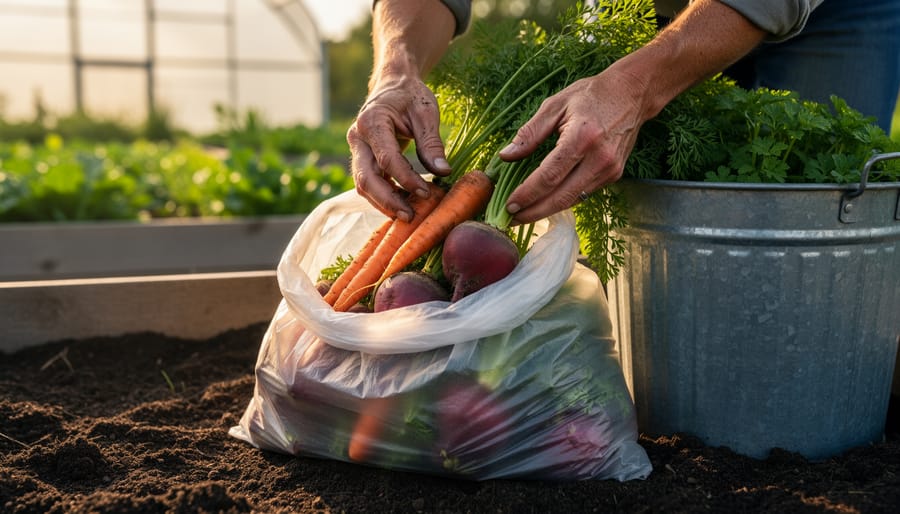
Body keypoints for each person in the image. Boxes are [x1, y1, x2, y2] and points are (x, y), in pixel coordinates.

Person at [346, 0, 900, 225]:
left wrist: (637, 85)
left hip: (835, 10)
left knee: (815, 205)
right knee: (617, 198)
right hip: (634, 9)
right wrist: (396, 70)